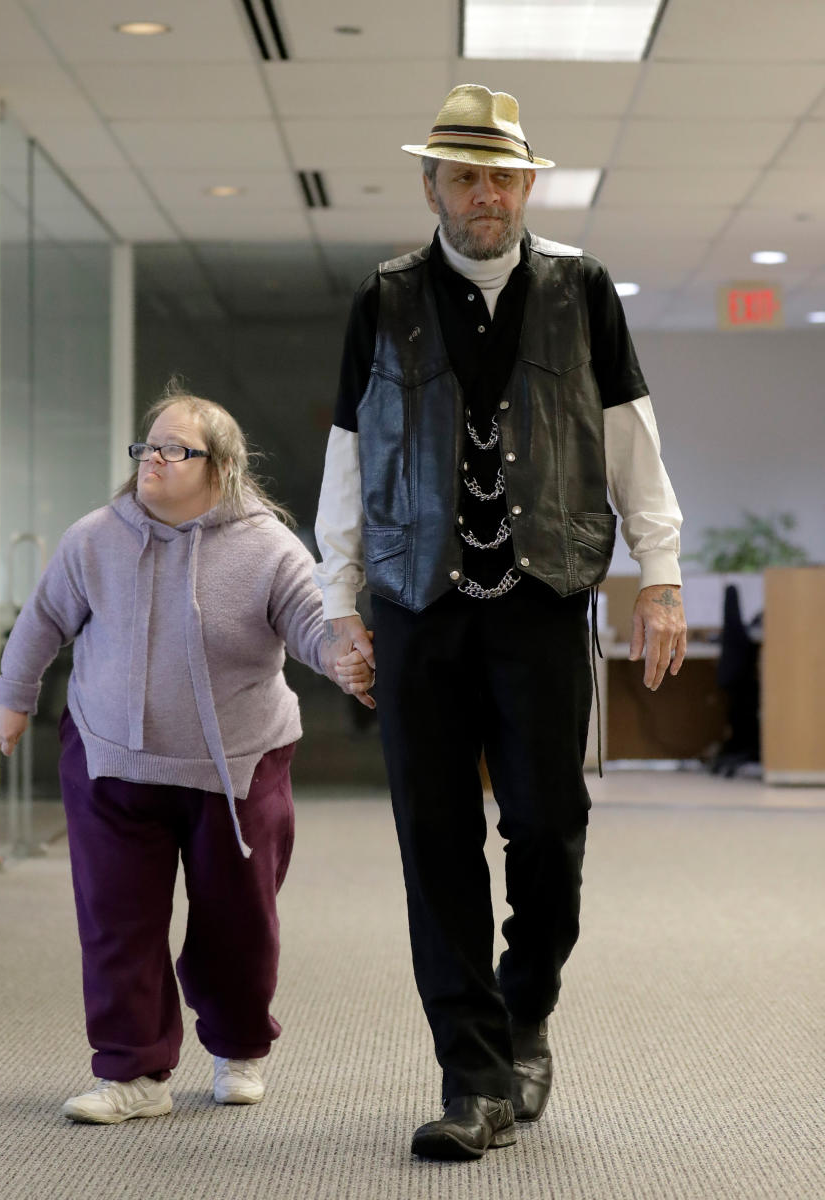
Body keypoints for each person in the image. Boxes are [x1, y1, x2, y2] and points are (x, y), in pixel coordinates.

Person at [315, 84, 687, 1160]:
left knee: (547, 833)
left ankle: (525, 1013)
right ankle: (471, 1074)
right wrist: (340, 606)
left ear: (530, 183)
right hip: (416, 607)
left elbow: (631, 439)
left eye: (501, 176)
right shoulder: (380, 301)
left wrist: (658, 576)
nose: (484, 194)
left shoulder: (582, 291)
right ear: (432, 185)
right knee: (434, 843)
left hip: (543, 602)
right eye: (463, 176)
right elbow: (351, 463)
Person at [0, 386, 373, 1125]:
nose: (153, 460)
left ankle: (240, 1049)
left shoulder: (267, 546)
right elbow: (43, 620)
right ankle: (133, 1073)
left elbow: (311, 626)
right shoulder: (96, 536)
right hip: (110, 760)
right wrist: (13, 698)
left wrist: (343, 662)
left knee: (237, 917)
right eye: (148, 447)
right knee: (116, 921)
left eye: (175, 449)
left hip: (237, 766)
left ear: (220, 465)